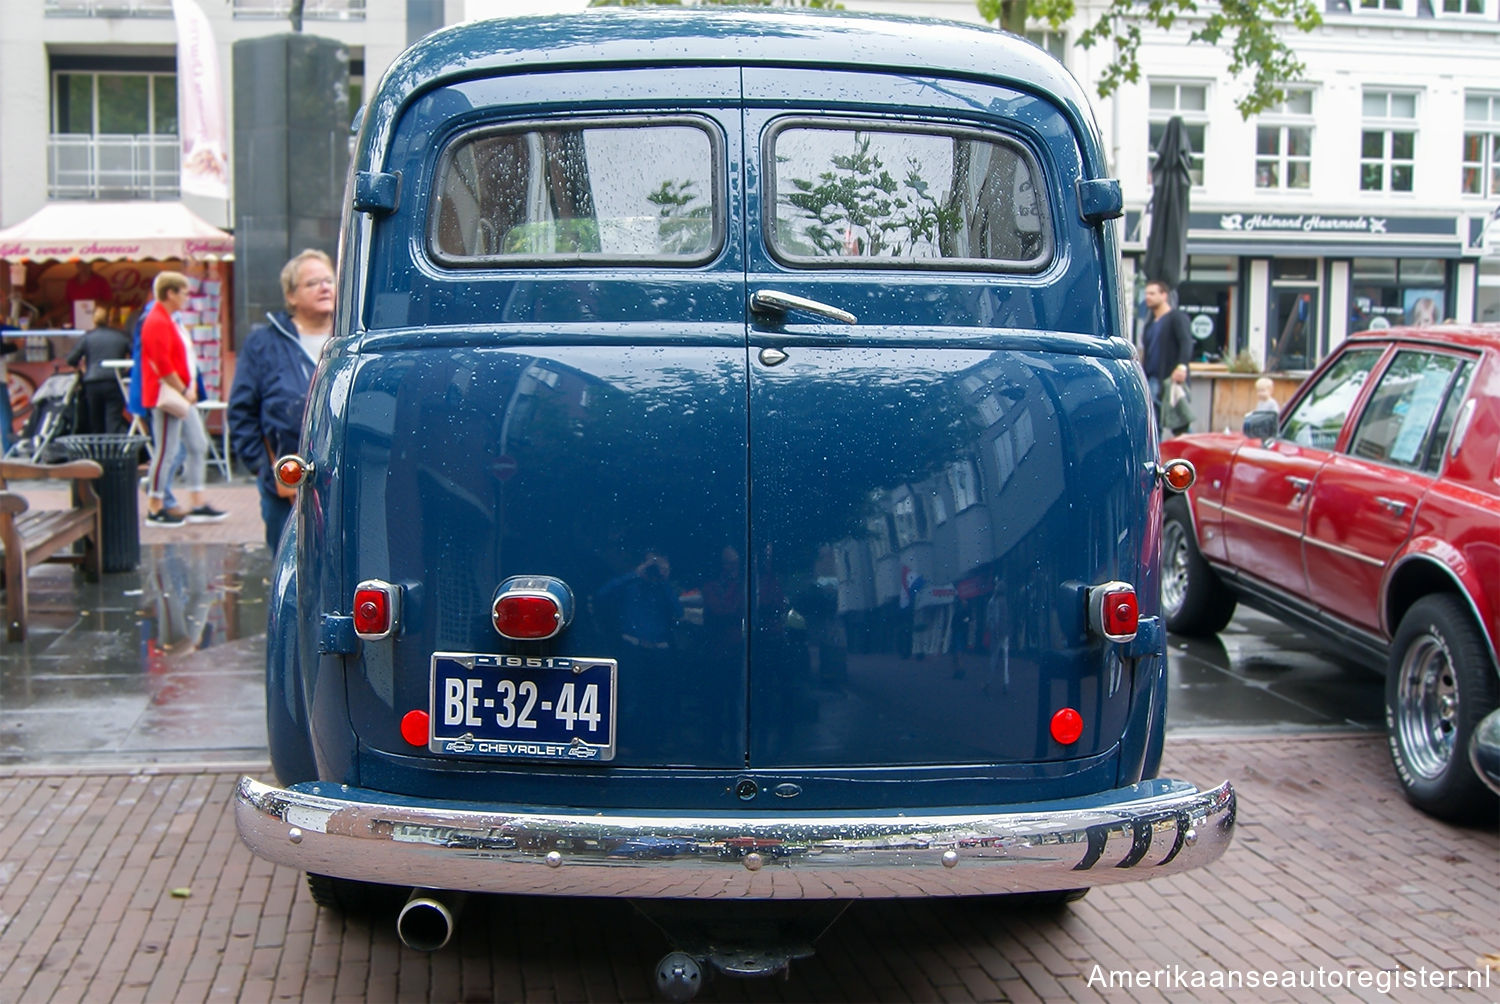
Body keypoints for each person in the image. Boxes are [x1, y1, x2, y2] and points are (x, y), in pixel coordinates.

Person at [228, 249, 335, 551]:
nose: (325, 287)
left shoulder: (351, 337)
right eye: (313, 282)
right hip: (286, 487)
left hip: (343, 484)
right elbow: (242, 413)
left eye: (329, 280)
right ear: (291, 296)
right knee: (292, 574)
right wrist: (265, 469)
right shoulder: (263, 344)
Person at [140, 271, 226, 527]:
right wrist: (183, 388)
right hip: (169, 395)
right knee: (166, 450)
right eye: (184, 292)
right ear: (171, 293)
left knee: (197, 444)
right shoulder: (157, 320)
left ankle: (197, 501)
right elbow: (162, 363)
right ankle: (155, 506)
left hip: (179, 394)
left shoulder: (167, 319)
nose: (188, 297)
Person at [66, 306, 131, 435]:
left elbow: (71, 359)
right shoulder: (121, 336)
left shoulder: (87, 337)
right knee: (113, 419)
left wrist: (83, 368)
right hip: (114, 381)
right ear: (110, 319)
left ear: (94, 320)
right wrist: (125, 371)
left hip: (92, 382)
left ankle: (97, 452)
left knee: (95, 420)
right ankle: (113, 451)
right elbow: (136, 355)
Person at [1140, 278, 1193, 422]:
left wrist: (1181, 367)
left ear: (1164, 295)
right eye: (1146, 294)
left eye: (1152, 294)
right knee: (1153, 423)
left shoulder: (1176, 318)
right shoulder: (1149, 324)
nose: (1148, 297)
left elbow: (1186, 342)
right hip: (1151, 378)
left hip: (1170, 379)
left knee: (1180, 422)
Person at [64, 261, 113, 328]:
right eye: (82, 264)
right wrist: (48, 316)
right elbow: (67, 305)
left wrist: (94, 302)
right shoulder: (71, 282)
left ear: (91, 265)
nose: (84, 267)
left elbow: (109, 303)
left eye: (87, 264)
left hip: (96, 326)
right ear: (77, 265)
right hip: (76, 326)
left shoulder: (101, 281)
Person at [1162, 363, 1194, 438]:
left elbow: (1189, 398)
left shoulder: (1183, 386)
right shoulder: (1169, 384)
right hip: (1176, 420)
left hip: (1184, 419)